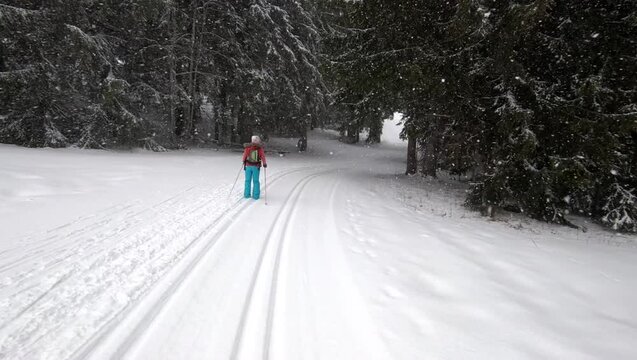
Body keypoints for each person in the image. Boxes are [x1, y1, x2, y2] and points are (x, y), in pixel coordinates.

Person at [242, 135, 267, 199]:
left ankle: (246, 194)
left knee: (247, 180)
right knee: (256, 181)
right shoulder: (260, 148)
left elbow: (244, 156)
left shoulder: (247, 147)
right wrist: (264, 163)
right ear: (258, 141)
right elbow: (263, 157)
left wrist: (243, 162)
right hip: (256, 167)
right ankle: (256, 196)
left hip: (248, 166)